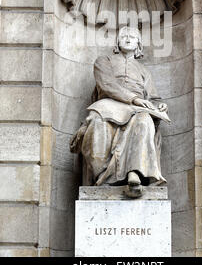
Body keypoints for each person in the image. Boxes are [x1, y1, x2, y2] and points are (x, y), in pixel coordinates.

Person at [70, 26, 168, 197]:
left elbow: (152, 96)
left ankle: (134, 172)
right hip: (108, 104)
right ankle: (101, 176)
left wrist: (159, 105)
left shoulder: (144, 71)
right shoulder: (104, 61)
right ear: (117, 42)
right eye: (124, 36)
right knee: (97, 121)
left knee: (144, 120)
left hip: (138, 109)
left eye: (132, 37)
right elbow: (106, 84)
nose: (128, 39)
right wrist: (135, 99)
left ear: (139, 43)